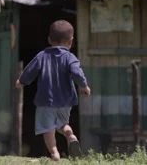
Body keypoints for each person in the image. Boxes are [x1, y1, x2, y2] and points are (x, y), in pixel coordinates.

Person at [15, 20, 91, 161]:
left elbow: (29, 71)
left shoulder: (42, 56)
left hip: (46, 101)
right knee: (62, 125)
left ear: (49, 39)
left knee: (47, 127)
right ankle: (70, 136)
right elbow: (77, 73)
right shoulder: (71, 58)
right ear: (71, 41)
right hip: (65, 102)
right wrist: (84, 86)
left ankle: (54, 152)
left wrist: (21, 81)